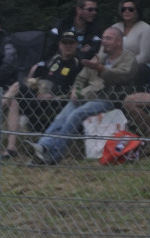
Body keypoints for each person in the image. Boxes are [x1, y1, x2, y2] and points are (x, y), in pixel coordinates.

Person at [30, 27, 140, 165]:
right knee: (62, 116)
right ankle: (43, 146)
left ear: (119, 42)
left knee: (77, 114)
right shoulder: (99, 57)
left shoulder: (128, 58)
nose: (104, 41)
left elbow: (123, 76)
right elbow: (81, 78)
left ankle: (53, 155)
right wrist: (76, 89)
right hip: (87, 96)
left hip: (109, 99)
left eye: (108, 38)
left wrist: (100, 69)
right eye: (103, 38)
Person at [0, 31, 83, 158]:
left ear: (76, 45)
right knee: (15, 98)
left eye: (71, 43)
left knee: (16, 87)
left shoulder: (78, 64)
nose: (68, 46)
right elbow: (38, 78)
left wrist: (55, 97)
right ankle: (11, 148)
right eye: (65, 43)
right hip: (39, 98)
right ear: (60, 45)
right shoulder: (54, 60)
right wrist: (35, 85)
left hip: (57, 103)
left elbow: (75, 92)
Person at [109, 1, 150, 84]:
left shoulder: (146, 29)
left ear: (137, 11)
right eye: (124, 9)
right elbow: (107, 49)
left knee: (138, 69)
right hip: (116, 65)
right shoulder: (115, 27)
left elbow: (144, 56)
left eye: (130, 9)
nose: (127, 11)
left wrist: (125, 66)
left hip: (141, 66)